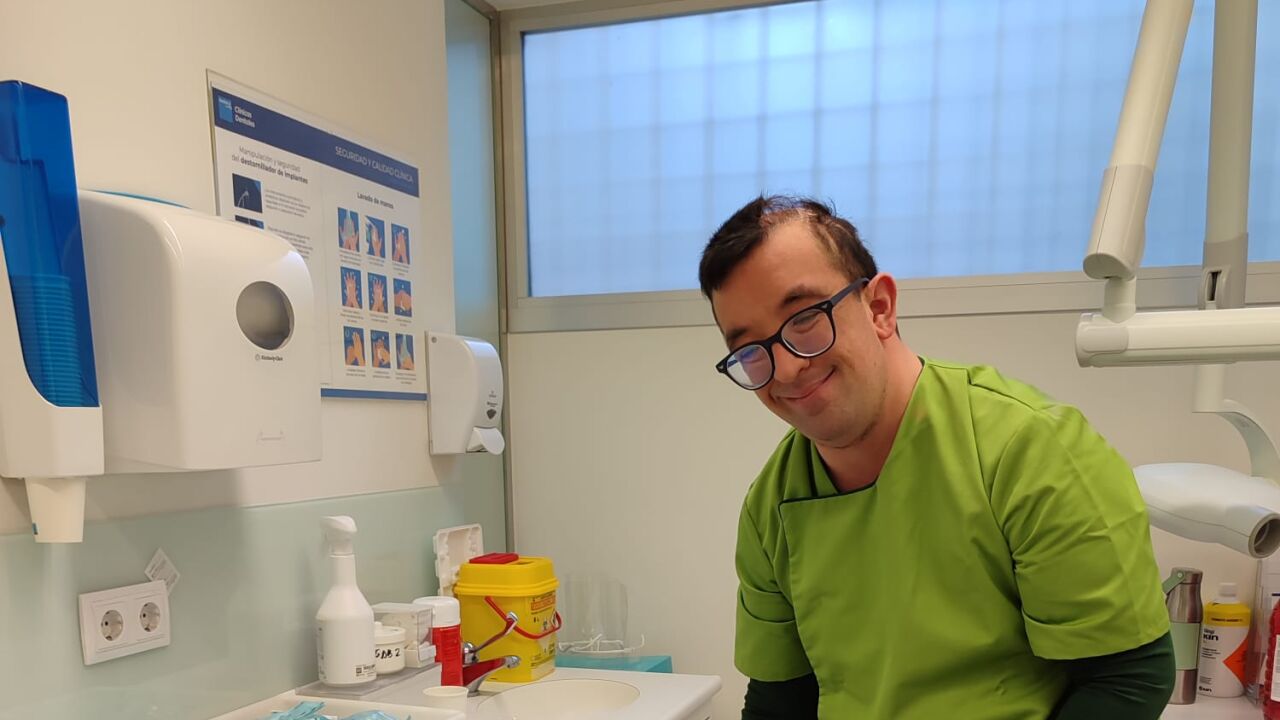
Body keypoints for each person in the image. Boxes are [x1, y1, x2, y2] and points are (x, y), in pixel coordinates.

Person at [699, 196, 1174, 720]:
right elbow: (778, 701)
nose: (786, 369)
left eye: (805, 318)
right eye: (751, 350)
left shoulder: (1029, 450)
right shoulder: (771, 507)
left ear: (879, 308)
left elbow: (1127, 679)